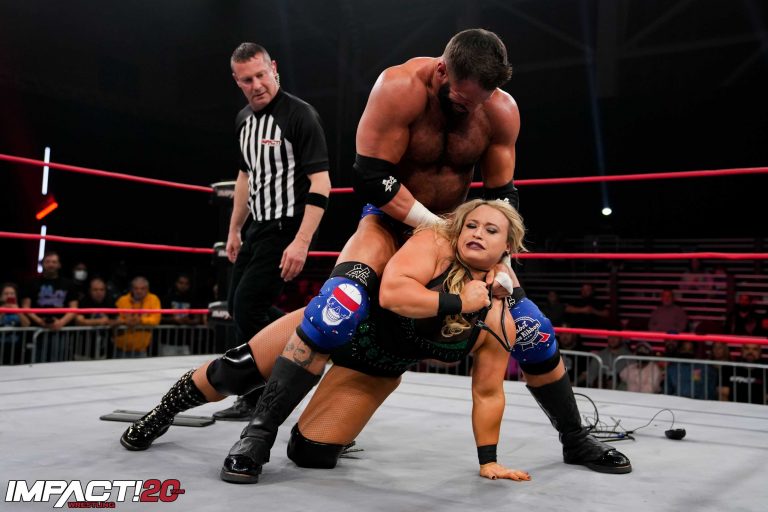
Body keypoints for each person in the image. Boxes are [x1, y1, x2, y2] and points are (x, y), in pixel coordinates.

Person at [219, 28, 627, 477]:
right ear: (442, 71)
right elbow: (370, 175)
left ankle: (575, 439)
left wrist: (501, 260)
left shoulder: (500, 111)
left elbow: (501, 195)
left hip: (458, 237)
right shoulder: (399, 87)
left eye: (478, 102)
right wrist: (438, 229)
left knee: (532, 328)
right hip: (388, 222)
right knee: (337, 307)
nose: (467, 109)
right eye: (460, 100)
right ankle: (258, 435)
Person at [119, 200, 631, 482]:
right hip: (356, 325)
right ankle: (162, 414)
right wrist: (458, 300)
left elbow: (488, 391)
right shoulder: (432, 245)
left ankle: (317, 428)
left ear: (508, 248)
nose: (476, 232)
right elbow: (391, 293)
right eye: (470, 224)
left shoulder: (500, 317)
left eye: (490, 230)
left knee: (313, 454)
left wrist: (488, 460)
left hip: (376, 366)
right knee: (234, 372)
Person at [214, 42, 332, 421]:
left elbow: (321, 183)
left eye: (261, 75)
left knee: (248, 305)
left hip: (288, 227)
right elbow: (245, 177)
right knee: (239, 307)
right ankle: (308, 340)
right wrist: (234, 229)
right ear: (237, 81)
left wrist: (301, 242)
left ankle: (270, 387)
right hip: (257, 227)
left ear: (274, 68)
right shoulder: (243, 120)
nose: (256, 85)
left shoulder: (300, 115)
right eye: (247, 80)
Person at [20, 251, 79, 362]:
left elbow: (74, 308)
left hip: (61, 331)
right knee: (36, 362)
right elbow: (25, 307)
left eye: (54, 262)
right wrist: (40, 321)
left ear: (59, 265)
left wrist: (60, 323)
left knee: (59, 363)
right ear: (42, 264)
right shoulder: (32, 283)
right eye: (47, 262)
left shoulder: (68, 284)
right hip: (37, 330)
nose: (51, 264)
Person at [113, 277, 162, 358]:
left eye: (142, 288)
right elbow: (115, 319)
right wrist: (125, 321)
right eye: (136, 288)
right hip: (121, 348)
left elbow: (156, 319)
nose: (139, 291)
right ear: (131, 289)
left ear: (147, 289)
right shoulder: (122, 300)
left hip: (141, 350)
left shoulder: (153, 299)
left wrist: (140, 320)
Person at [75, 277, 117, 359]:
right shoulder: (84, 302)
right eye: (95, 290)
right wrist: (99, 321)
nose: (99, 292)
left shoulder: (109, 302)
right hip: (83, 349)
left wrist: (109, 322)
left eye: (102, 290)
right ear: (90, 291)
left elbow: (118, 319)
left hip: (104, 349)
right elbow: (79, 321)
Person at [1, 283, 30, 364]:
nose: (9, 296)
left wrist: (18, 311)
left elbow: (27, 324)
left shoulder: (18, 309)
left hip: (17, 348)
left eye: (12, 293)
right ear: (1, 296)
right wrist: (3, 310)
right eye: (6, 294)